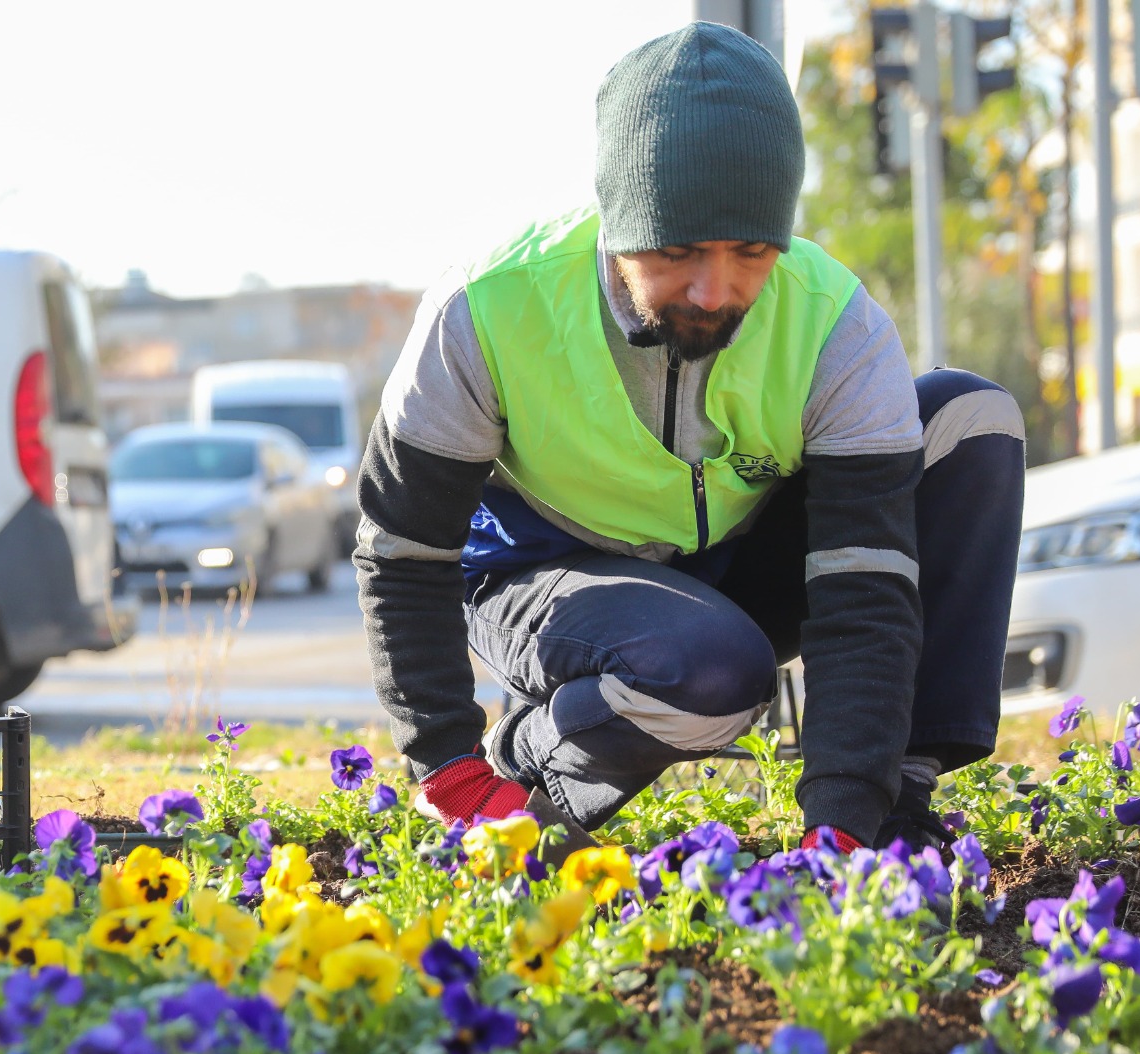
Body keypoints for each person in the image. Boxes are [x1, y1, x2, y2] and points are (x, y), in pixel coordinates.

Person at [354, 22, 1025, 858]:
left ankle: (897, 810)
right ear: (618, 222)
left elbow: (865, 587)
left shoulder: (836, 327)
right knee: (710, 675)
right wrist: (449, 768)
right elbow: (403, 552)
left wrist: (844, 816)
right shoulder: (485, 310)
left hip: (731, 566)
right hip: (536, 572)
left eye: (750, 251)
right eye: (675, 251)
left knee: (970, 420)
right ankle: (526, 762)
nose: (714, 290)